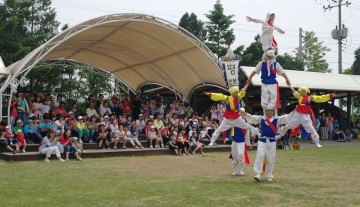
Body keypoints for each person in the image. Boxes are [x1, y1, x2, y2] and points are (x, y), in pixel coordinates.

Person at [241, 107, 294, 181]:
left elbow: (287, 117)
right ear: (265, 111)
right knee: (260, 155)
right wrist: (245, 114)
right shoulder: (261, 118)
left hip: (272, 141)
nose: (269, 112)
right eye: (268, 110)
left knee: (270, 159)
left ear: (273, 111)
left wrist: (294, 111)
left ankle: (268, 174)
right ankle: (258, 173)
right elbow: (252, 118)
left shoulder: (277, 119)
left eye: (271, 110)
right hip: (262, 140)